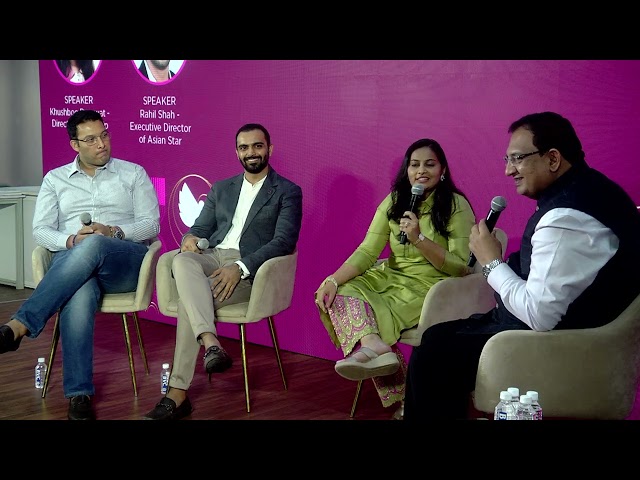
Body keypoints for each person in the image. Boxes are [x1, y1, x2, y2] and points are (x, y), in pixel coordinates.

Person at [403, 111, 640, 421]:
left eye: (517, 159)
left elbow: (540, 314)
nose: (508, 170)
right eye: (507, 159)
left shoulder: (565, 217)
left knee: (435, 351)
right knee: (437, 338)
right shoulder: (590, 189)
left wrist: (491, 263)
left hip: (562, 344)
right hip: (566, 326)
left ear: (552, 158)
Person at [0, 109, 160, 420]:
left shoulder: (133, 173)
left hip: (123, 263)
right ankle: (79, 394)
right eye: (91, 139)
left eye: (104, 135)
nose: (101, 144)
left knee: (96, 243)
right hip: (75, 265)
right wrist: (73, 240)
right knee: (81, 288)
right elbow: (41, 231)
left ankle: (20, 325)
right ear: (75, 144)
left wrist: (112, 232)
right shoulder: (55, 179)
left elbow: (151, 224)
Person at [143, 123, 303, 420]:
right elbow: (200, 227)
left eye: (257, 146)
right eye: (244, 147)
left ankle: (177, 394)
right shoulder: (222, 188)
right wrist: (190, 238)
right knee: (182, 260)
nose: (251, 152)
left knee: (189, 303)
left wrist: (240, 268)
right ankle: (211, 342)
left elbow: (284, 241)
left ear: (269, 149)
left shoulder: (287, 191)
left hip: (251, 268)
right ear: (237, 152)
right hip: (212, 255)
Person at [314, 138, 475, 409]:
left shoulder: (455, 205)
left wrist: (419, 239)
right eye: (414, 165)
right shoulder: (395, 201)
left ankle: (379, 358)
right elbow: (368, 251)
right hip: (391, 276)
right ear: (407, 170)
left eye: (429, 164)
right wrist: (332, 279)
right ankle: (374, 345)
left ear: (443, 170)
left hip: (433, 285)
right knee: (339, 292)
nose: (421, 171)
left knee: (373, 310)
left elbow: (462, 266)